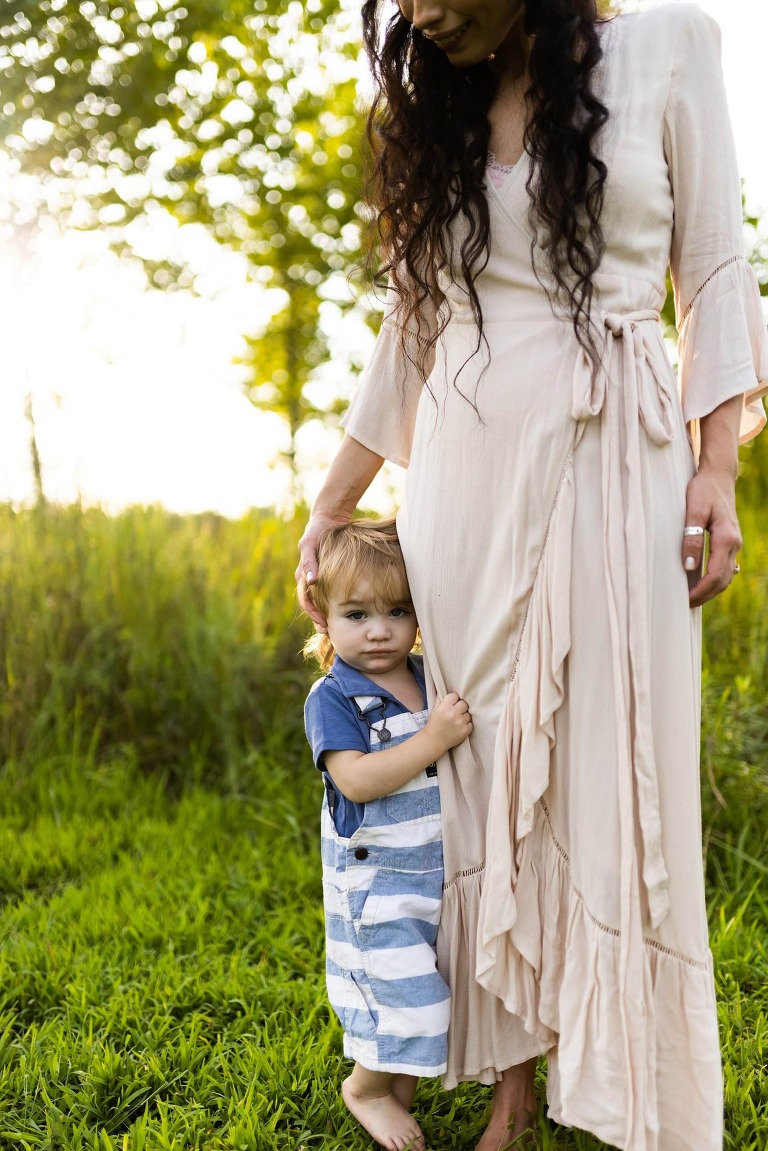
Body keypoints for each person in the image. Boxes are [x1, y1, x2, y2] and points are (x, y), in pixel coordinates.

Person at [297, 2, 768, 1148]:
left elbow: (711, 264)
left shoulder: (669, 42)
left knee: (612, 762)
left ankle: (626, 1082)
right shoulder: (440, 105)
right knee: (485, 763)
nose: (417, 10)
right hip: (463, 482)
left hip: (617, 459)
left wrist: (719, 464)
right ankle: (512, 1089)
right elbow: (411, 319)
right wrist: (334, 496)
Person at [303, 517, 474, 1151]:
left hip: (430, 876)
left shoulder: (429, 675)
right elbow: (356, 781)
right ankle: (365, 1089)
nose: (379, 630)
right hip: (374, 889)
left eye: (397, 610)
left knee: (421, 998)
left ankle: (395, 1094)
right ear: (322, 614)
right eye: (357, 614)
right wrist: (432, 738)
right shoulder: (334, 696)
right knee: (409, 1001)